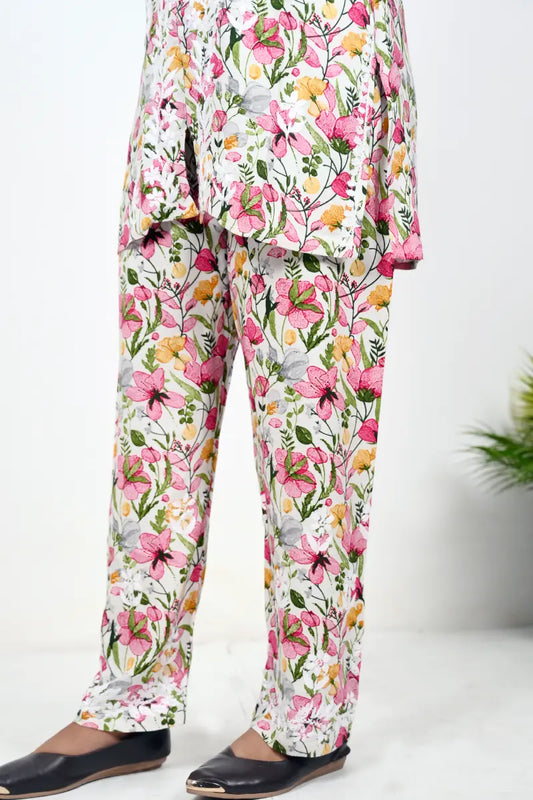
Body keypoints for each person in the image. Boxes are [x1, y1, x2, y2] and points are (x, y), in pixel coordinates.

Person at [0, 0, 423, 797]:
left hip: (308, 117)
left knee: (308, 452)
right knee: (153, 438)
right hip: (178, 120)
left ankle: (307, 718)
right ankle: (130, 705)